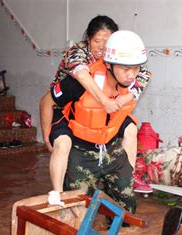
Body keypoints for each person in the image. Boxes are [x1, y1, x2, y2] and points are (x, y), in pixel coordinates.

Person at [40, 16, 151, 205]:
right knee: (63, 143)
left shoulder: (119, 59)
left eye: (107, 42)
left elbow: (144, 75)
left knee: (131, 130)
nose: (101, 46)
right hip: (69, 104)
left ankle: (128, 178)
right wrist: (46, 136)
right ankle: (57, 195)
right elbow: (77, 78)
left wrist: (124, 98)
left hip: (103, 106)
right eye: (97, 41)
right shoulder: (78, 55)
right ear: (89, 39)